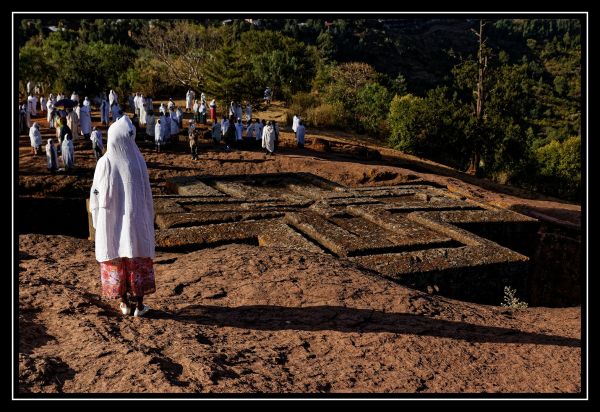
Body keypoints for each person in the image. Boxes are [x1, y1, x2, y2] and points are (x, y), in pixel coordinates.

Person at [89, 115, 155, 317]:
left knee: (116, 257)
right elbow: (148, 196)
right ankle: (140, 306)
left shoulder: (104, 162)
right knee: (136, 258)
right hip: (136, 224)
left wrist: (98, 217)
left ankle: (125, 303)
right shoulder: (138, 161)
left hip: (112, 223)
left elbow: (95, 194)